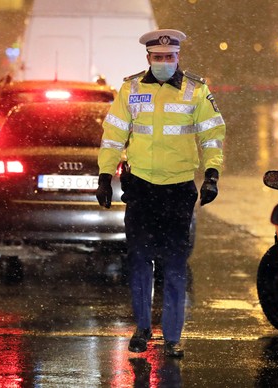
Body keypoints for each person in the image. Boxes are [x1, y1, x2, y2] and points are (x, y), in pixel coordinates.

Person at [96, 29, 226, 358]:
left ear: (178, 57)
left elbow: (212, 133)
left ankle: (172, 337)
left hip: (178, 189)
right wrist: (104, 173)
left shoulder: (196, 90)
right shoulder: (131, 88)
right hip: (140, 187)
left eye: (170, 57)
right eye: (158, 57)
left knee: (175, 265)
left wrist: (212, 173)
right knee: (140, 260)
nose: (165, 62)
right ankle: (142, 329)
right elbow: (113, 134)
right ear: (148, 59)